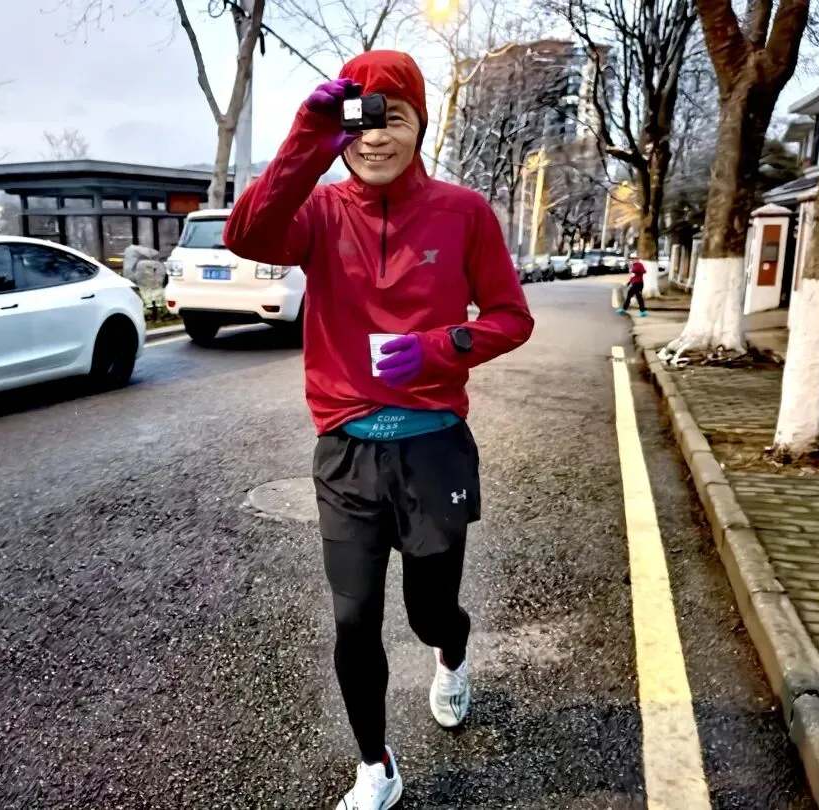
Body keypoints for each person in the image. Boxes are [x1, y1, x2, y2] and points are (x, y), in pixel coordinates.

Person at [223, 50, 534, 810]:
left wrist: (438, 346)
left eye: (392, 119)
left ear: (420, 125)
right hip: (347, 452)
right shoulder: (321, 211)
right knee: (354, 618)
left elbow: (511, 317)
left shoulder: (464, 211)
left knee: (431, 613)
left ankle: (452, 656)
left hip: (433, 448)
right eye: (358, 121)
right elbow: (247, 235)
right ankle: (376, 767)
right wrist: (307, 135)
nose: (375, 137)